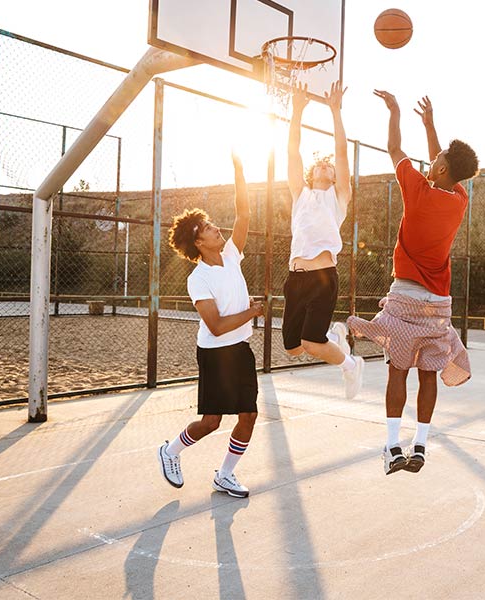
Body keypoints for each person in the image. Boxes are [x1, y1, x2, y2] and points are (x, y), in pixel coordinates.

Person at [348, 91, 478, 474]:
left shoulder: (415, 190)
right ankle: (420, 445)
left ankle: (392, 446)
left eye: (435, 159)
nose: (432, 159)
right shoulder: (459, 200)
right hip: (438, 303)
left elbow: (393, 146)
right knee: (428, 372)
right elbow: (447, 169)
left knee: (397, 371)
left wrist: (396, 112)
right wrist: (430, 126)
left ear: (438, 170)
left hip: (405, 297)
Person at [157, 153, 263, 498]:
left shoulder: (232, 255)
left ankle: (225, 475)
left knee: (248, 415)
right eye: (208, 228)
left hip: (241, 350)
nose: (217, 228)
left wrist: (239, 171)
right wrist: (252, 312)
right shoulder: (198, 279)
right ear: (199, 242)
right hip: (216, 354)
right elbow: (216, 326)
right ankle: (170, 451)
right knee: (211, 422)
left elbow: (244, 214)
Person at [283, 81, 364, 398]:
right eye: (321, 163)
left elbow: (342, 152)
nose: (325, 165)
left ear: (334, 177)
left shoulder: (339, 197)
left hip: (322, 278)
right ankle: (335, 334)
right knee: (293, 349)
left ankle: (350, 366)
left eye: (330, 166)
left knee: (312, 343)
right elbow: (293, 151)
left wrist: (335, 110)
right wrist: (298, 110)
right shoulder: (299, 194)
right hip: (295, 277)